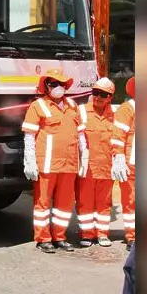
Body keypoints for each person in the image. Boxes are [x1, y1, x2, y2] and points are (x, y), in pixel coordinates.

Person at [21, 68, 85, 254]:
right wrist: (30, 161)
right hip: (47, 164)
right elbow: (29, 136)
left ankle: (60, 236)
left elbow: (80, 133)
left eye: (61, 84)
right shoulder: (38, 106)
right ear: (46, 86)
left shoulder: (73, 105)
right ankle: (43, 238)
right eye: (53, 84)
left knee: (65, 204)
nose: (58, 87)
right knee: (42, 203)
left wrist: (85, 154)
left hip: (70, 163)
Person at [76, 77, 117, 248]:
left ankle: (102, 233)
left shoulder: (115, 116)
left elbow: (119, 139)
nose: (98, 97)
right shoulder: (82, 111)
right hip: (87, 167)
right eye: (95, 93)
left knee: (105, 201)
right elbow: (75, 137)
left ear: (110, 97)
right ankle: (87, 234)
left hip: (107, 166)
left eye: (103, 94)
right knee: (85, 200)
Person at [111, 76, 136, 250]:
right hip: (132, 162)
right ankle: (132, 236)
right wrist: (119, 158)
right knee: (131, 199)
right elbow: (118, 135)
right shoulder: (127, 109)